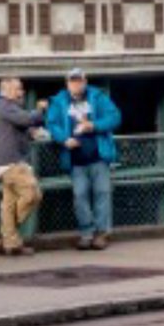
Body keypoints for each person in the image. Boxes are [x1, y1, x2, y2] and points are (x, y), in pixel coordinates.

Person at [46, 68, 122, 250]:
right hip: (75, 159)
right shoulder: (58, 101)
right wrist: (64, 139)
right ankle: (86, 233)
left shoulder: (98, 96)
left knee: (102, 193)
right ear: (67, 83)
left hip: (99, 156)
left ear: (85, 81)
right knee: (80, 196)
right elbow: (51, 124)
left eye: (79, 80)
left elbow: (115, 117)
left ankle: (101, 233)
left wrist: (93, 125)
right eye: (72, 81)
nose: (76, 84)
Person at [0, 77, 47, 257]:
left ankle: (11, 243)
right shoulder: (3, 105)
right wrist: (40, 109)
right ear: (5, 90)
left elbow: (16, 127)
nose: (22, 92)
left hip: (5, 161)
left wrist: (30, 133)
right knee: (33, 193)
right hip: (11, 161)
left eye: (21, 89)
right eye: (18, 89)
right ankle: (9, 229)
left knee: (9, 203)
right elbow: (26, 119)